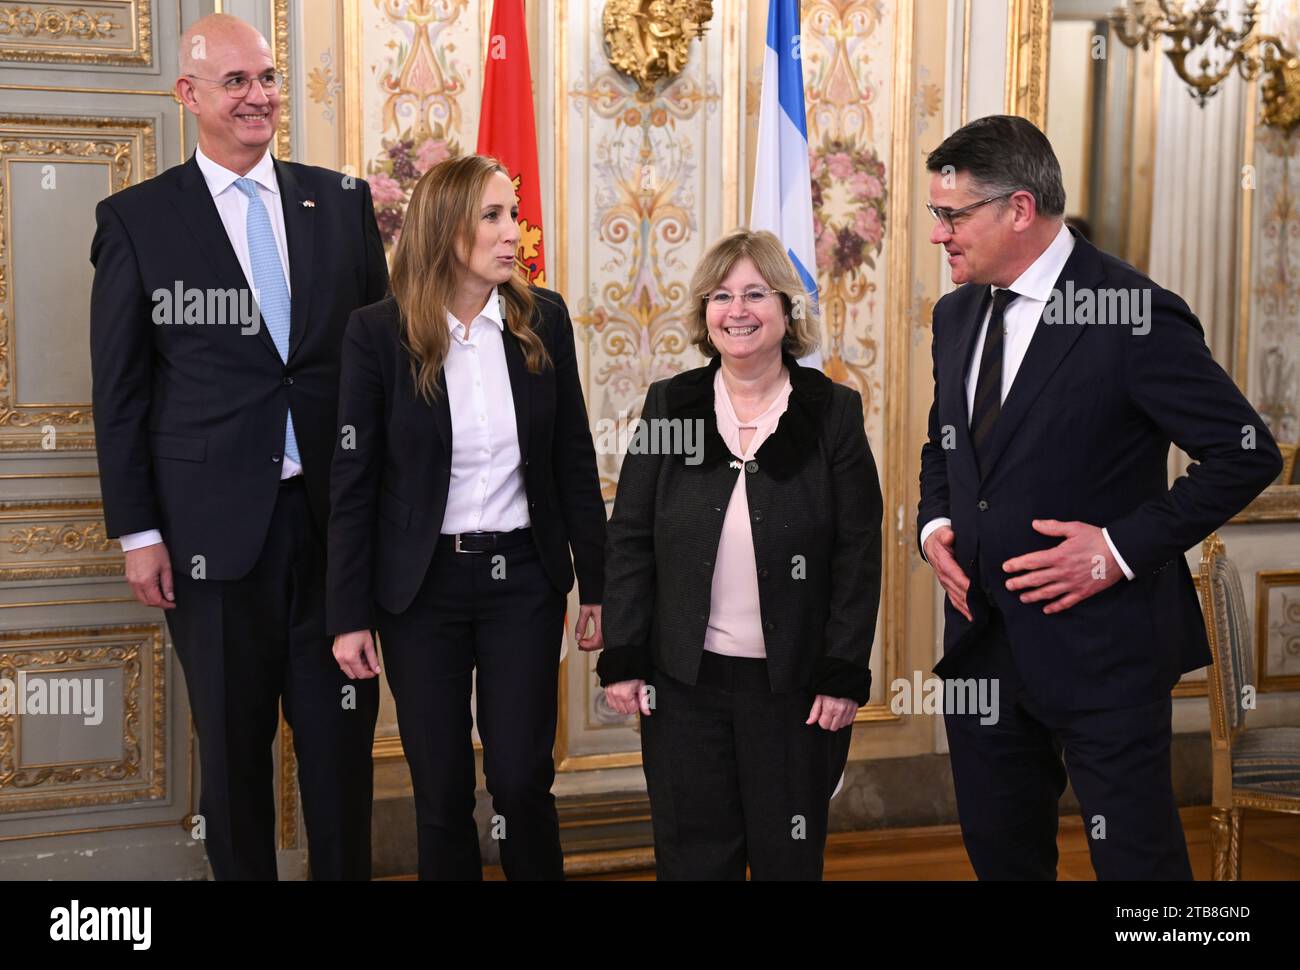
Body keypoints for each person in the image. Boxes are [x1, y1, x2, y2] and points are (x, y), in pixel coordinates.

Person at [917, 114, 1283, 880]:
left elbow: (1244, 453)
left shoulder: (1133, 313)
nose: (938, 234)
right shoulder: (955, 315)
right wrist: (937, 526)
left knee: (1140, 869)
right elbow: (942, 447)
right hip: (982, 646)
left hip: (1105, 651)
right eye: (936, 215)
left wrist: (1117, 550)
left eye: (952, 215)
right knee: (1002, 857)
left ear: (1019, 209)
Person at [89, 13, 389, 879]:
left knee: (339, 758)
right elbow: (122, 392)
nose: (259, 96)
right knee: (232, 758)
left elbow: (377, 370)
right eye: (236, 82)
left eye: (266, 77)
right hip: (210, 542)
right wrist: (138, 533)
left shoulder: (339, 201)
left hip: (336, 534)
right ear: (189, 96)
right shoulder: (139, 220)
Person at [327, 154, 606, 881]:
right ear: (447, 227)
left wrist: (601, 588)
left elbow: (574, 459)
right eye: (493, 216)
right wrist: (346, 614)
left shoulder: (543, 318)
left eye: (512, 213)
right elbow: (352, 484)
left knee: (520, 781)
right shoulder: (376, 334)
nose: (514, 231)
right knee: (442, 791)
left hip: (524, 581)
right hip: (421, 592)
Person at [597, 228, 882, 880]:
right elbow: (631, 537)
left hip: (795, 692)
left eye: (756, 293)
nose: (738, 310)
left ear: (786, 309)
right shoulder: (671, 404)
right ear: (705, 314)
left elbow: (857, 551)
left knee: (787, 861)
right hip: (683, 687)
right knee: (694, 861)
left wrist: (843, 671)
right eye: (722, 296)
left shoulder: (831, 413)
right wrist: (624, 656)